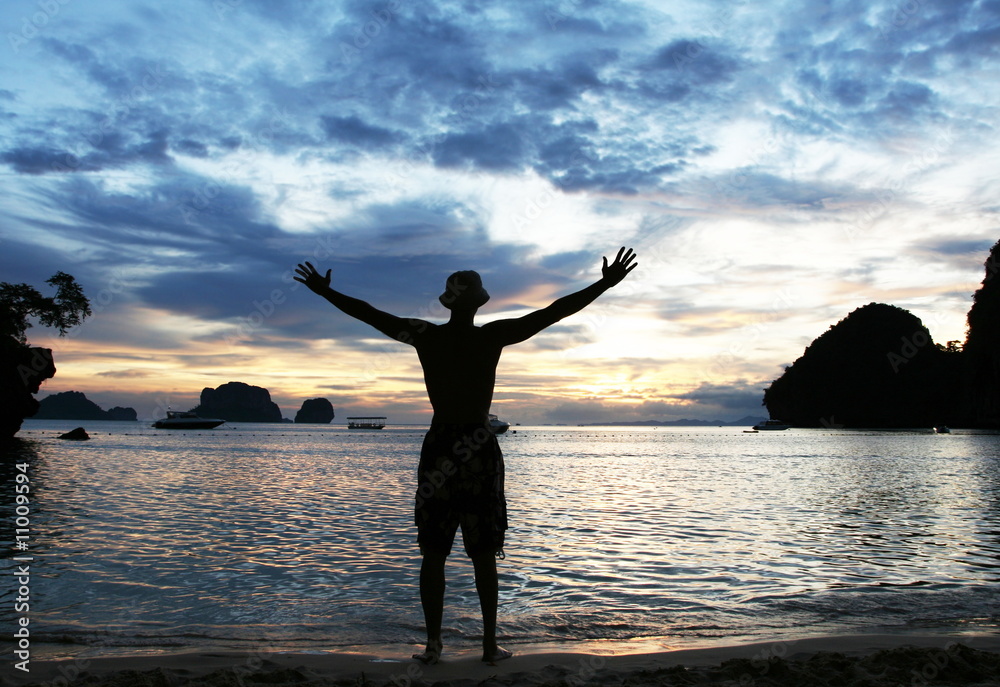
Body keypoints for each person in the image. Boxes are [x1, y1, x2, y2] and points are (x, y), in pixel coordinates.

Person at [293, 247, 637, 664]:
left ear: (449, 300)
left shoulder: (426, 335)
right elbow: (552, 312)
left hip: (440, 446)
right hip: (477, 445)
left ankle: (434, 645)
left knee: (434, 551)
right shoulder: (491, 336)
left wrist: (324, 292)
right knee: (483, 552)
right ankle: (489, 646)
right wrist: (604, 284)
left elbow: (369, 313)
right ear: (476, 300)